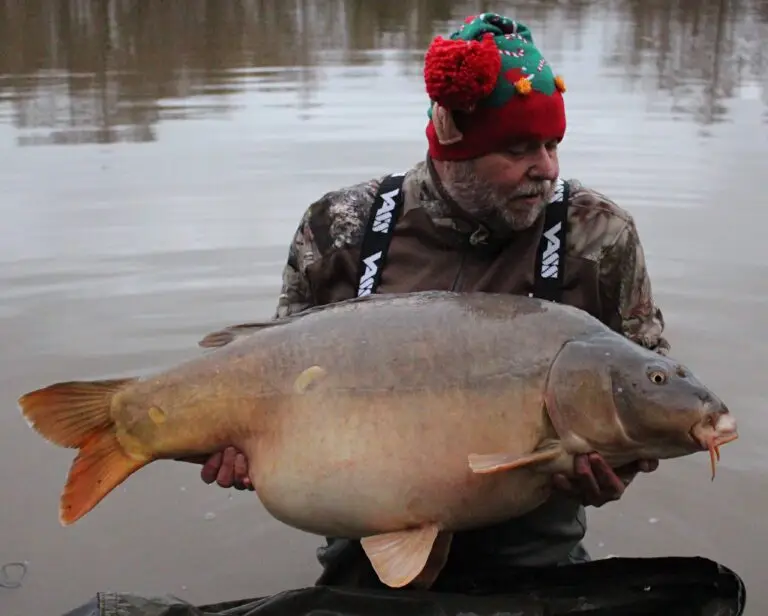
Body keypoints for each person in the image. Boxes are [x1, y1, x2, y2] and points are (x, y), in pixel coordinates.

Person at [196, 12, 668, 588]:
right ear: (452, 144)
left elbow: (649, 389)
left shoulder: (598, 235)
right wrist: (245, 447)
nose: (546, 169)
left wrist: (619, 470)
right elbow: (275, 381)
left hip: (535, 554)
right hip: (364, 543)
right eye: (518, 148)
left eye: (552, 144)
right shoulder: (339, 228)